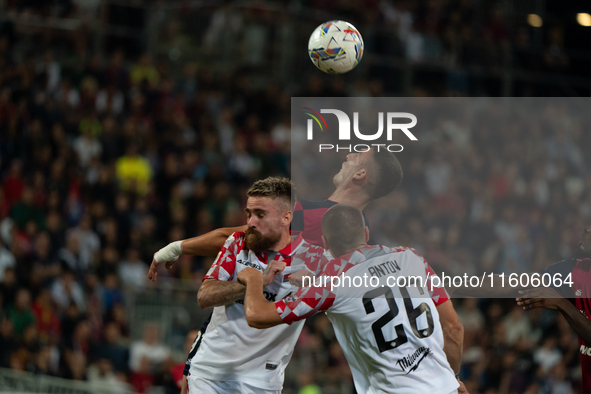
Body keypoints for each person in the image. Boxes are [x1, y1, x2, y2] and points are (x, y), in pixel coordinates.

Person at [148, 150, 464, 387]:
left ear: (361, 175)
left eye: (357, 155)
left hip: (236, 352)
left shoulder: (314, 217)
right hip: (269, 365)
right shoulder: (363, 238)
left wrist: (174, 248)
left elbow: (235, 236)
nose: (348, 155)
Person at [237, 204, 465, 394]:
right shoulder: (412, 257)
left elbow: (257, 316)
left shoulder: (331, 282)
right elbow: (453, 328)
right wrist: (452, 378)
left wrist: (252, 277)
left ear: (325, 242)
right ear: (365, 233)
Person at [185, 177, 325, 393]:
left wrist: (314, 283)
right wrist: (254, 283)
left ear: (285, 218)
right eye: (249, 213)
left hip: (263, 380)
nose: (251, 222)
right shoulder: (238, 243)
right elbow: (204, 296)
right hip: (211, 372)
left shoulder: (312, 259)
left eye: (260, 214)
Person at [516, 227, 591, 392]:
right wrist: (456, 287)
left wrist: (562, 304)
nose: (586, 230)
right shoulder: (573, 270)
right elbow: (512, 283)